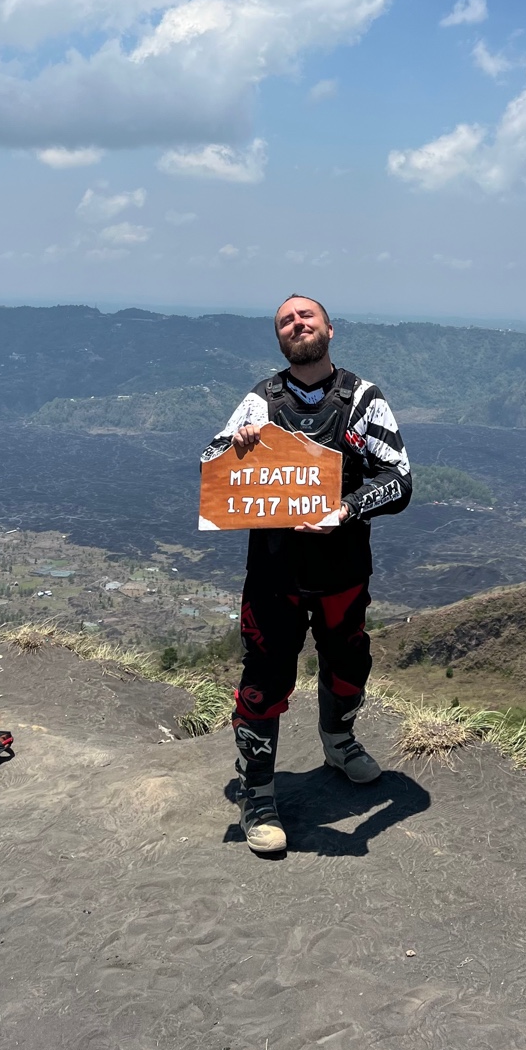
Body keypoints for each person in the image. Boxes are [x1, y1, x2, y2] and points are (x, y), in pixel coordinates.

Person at [201, 294, 412, 854]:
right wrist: (236, 447)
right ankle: (257, 791)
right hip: (274, 576)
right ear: (280, 338)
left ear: (329, 330)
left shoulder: (363, 399)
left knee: (348, 663)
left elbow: (400, 479)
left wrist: (345, 510)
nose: (298, 324)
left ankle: (339, 741)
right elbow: (212, 467)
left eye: (307, 317)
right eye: (287, 321)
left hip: (342, 570)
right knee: (265, 678)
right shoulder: (260, 400)